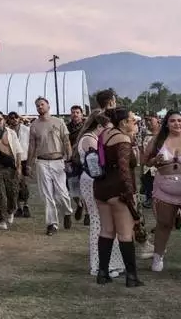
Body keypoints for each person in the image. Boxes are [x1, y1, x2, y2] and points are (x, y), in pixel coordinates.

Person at [143, 111, 181, 275]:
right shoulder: (158, 140)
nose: (177, 124)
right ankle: (158, 257)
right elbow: (145, 160)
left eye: (179, 121)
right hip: (165, 189)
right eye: (172, 121)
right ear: (167, 123)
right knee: (164, 224)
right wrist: (155, 161)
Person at [93, 108, 142, 287]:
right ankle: (131, 276)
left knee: (106, 231)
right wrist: (130, 195)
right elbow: (124, 169)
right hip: (118, 190)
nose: (134, 123)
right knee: (125, 233)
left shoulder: (104, 134)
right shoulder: (122, 139)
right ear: (123, 123)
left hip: (101, 187)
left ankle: (103, 272)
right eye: (132, 120)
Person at [76, 112, 124, 279]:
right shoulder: (90, 139)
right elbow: (96, 165)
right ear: (100, 127)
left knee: (105, 222)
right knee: (98, 221)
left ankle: (111, 261)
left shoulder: (91, 138)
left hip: (94, 180)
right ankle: (99, 264)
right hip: (93, 180)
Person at [28, 97, 74, 235]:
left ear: (48, 106)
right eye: (37, 105)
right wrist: (29, 164)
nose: (39, 107)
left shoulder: (59, 122)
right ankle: (52, 224)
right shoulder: (34, 125)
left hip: (58, 160)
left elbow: (66, 141)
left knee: (62, 193)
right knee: (47, 195)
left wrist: (69, 159)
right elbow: (32, 146)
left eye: (42, 104)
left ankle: (67, 212)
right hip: (42, 162)